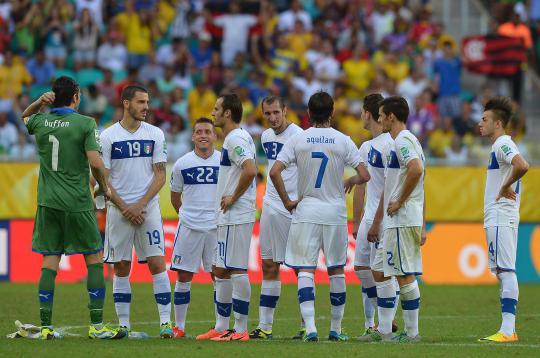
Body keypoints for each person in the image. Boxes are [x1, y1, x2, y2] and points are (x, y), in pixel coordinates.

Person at [21, 76, 124, 340]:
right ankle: (97, 326)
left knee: (50, 260)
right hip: (77, 202)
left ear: (53, 97)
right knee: (93, 258)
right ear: (76, 97)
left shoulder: (41, 121)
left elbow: (25, 117)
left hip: (47, 202)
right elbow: (96, 163)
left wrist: (38, 103)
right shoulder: (85, 123)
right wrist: (104, 187)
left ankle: (45, 327)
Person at [270, 91, 370, 342]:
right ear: (332, 112)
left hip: (307, 209)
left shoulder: (298, 140)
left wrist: (287, 201)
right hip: (334, 211)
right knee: (336, 270)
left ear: (309, 113)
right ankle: (336, 329)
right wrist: (350, 180)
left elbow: (274, 172)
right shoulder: (343, 140)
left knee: (305, 269)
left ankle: (311, 328)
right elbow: (365, 175)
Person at [100, 85, 173, 338]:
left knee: (156, 262)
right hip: (118, 210)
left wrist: (139, 205)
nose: (146, 107)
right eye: (141, 102)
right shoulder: (108, 136)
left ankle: (165, 323)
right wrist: (124, 207)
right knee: (120, 266)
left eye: (147, 102)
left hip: (147, 209)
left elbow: (161, 175)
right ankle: (124, 325)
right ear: (126, 103)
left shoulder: (155, 134)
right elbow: (102, 179)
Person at [360, 96, 426, 343]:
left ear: (391, 116)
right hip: (394, 220)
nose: (378, 119)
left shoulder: (403, 140)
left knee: (404, 275)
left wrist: (399, 200)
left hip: (401, 217)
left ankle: (412, 334)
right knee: (379, 270)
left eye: (381, 115)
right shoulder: (403, 141)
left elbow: (416, 169)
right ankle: (385, 330)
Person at [197, 93, 257, 342]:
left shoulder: (236, 139)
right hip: (226, 217)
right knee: (219, 269)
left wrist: (232, 197)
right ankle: (221, 326)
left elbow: (251, 169)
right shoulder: (234, 138)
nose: (213, 113)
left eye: (216, 109)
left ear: (228, 113)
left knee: (236, 269)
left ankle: (241, 329)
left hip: (237, 215)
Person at [249, 96, 303, 340]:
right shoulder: (266, 137)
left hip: (295, 207)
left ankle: (306, 325)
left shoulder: (299, 136)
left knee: (302, 268)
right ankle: (265, 326)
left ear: (285, 110)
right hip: (271, 205)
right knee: (269, 266)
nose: (272, 118)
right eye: (267, 113)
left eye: (275, 113)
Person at [478, 97, 529, 343]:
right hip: (498, 216)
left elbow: (522, 165)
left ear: (498, 123)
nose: (480, 123)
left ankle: (508, 331)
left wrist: (505, 185)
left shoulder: (503, 144)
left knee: (506, 270)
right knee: (501, 269)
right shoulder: (498, 145)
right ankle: (507, 329)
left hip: (501, 214)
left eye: (485, 119)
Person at [352, 94, 399, 336]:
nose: (361, 116)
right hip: (368, 218)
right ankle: (379, 320)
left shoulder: (389, 145)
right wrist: (357, 219)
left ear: (368, 114)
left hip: (383, 218)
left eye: (362, 111)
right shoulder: (365, 147)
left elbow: (390, 187)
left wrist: (376, 221)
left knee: (383, 272)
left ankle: (383, 322)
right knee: (361, 268)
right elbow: (361, 184)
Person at [169, 117, 221, 338]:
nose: (203, 135)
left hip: (216, 227)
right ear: (192, 136)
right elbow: (174, 197)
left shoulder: (224, 161)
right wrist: (188, 215)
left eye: (207, 131)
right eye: (199, 131)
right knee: (183, 275)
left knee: (218, 276)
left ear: (214, 136)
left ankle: (220, 326)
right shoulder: (182, 163)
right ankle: (179, 327)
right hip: (189, 226)